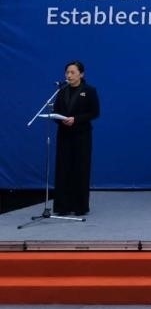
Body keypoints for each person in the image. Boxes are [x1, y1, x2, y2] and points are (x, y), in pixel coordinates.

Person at [52, 60, 100, 216]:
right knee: (63, 169)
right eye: (67, 72)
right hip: (64, 134)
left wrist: (76, 119)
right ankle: (62, 206)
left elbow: (94, 112)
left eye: (73, 72)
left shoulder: (89, 91)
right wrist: (60, 119)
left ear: (81, 74)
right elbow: (56, 111)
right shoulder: (61, 91)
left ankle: (80, 206)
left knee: (80, 169)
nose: (69, 75)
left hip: (81, 135)